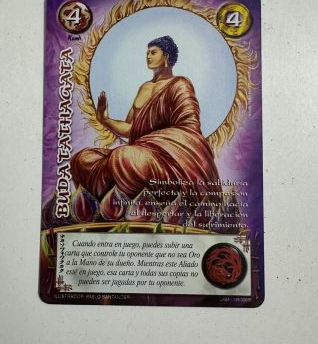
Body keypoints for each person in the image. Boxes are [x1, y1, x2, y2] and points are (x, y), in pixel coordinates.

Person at [70, 35, 222, 213]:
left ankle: (140, 209)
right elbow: (130, 129)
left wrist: (152, 141)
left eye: (153, 52)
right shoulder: (144, 87)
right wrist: (105, 120)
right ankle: (113, 208)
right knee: (82, 159)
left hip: (168, 159)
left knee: (122, 157)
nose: (148, 56)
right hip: (139, 155)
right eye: (147, 53)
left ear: (166, 56)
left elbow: (188, 130)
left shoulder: (180, 84)